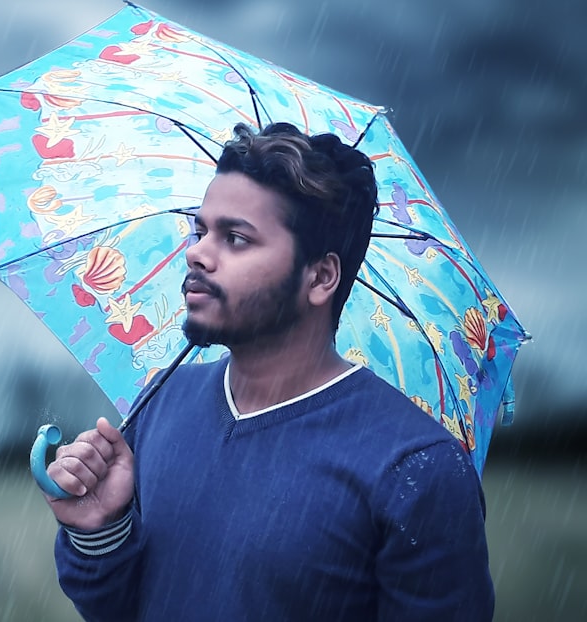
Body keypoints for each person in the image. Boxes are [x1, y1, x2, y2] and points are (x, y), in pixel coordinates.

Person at [43, 122, 494, 621]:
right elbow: (121, 609)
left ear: (320, 277)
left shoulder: (415, 468)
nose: (196, 253)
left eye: (235, 238)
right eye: (201, 231)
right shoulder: (165, 402)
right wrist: (101, 532)